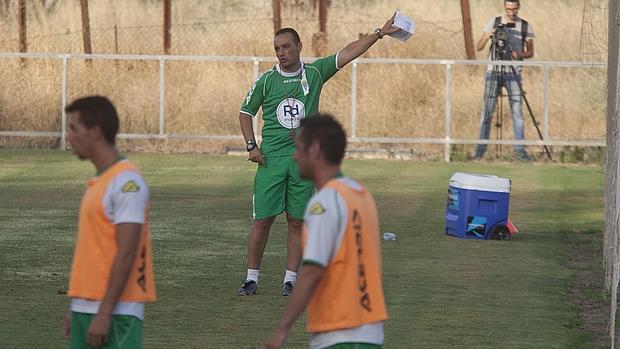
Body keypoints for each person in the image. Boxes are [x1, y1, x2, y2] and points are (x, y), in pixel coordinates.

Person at [237, 14, 399, 296]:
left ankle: (290, 280)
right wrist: (252, 146)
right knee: (262, 220)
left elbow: (347, 53)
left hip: (303, 163)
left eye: (286, 47)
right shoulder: (266, 81)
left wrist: (379, 33)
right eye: (277, 48)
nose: (281, 53)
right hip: (271, 161)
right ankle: (251, 278)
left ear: (299, 46)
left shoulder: (313, 73)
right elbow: (245, 112)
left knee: (297, 221)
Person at [265, 114, 388, 349]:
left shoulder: (324, 203)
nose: (294, 155)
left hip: (341, 332)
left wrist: (282, 329)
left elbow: (312, 271)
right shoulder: (360, 193)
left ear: (315, 150)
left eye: (299, 148)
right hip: (368, 330)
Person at [61, 96, 156, 348]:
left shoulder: (127, 183)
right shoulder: (100, 182)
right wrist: (76, 304)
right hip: (87, 307)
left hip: (116, 314)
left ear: (94, 133)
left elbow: (127, 253)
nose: (68, 136)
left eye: (73, 128)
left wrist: (104, 313)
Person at [474, 0, 535, 160]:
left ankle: (520, 151)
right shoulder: (494, 22)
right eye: (509, 9)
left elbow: (530, 52)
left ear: (518, 8)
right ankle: (479, 152)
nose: (511, 12)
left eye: (514, 9)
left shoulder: (525, 26)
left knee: (517, 113)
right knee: (487, 112)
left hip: (513, 73)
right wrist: (489, 35)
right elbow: (478, 47)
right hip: (493, 72)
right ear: (504, 7)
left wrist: (518, 55)